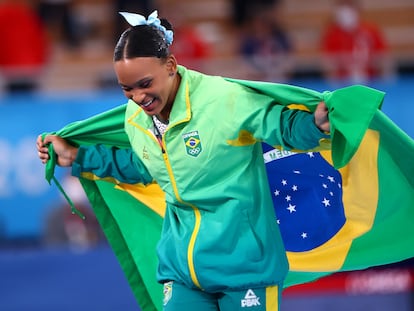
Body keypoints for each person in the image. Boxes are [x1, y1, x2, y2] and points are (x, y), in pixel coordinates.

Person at [37, 10, 330, 311]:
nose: (138, 97)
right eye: (127, 89)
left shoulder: (222, 99)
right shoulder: (136, 118)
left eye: (145, 83)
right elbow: (144, 166)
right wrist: (77, 156)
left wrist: (314, 125)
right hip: (183, 271)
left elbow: (279, 125)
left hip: (245, 267)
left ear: (171, 66)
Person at [320, 0, 393, 83]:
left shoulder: (371, 30)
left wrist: (386, 80)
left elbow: (384, 58)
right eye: (342, 9)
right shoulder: (331, 34)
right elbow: (328, 63)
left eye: (350, 8)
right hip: (343, 83)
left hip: (371, 81)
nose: (346, 13)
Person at [0, 0, 49, 93]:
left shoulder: (27, 15)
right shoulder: (28, 15)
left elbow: (38, 40)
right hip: (28, 67)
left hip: (15, 68)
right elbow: (40, 41)